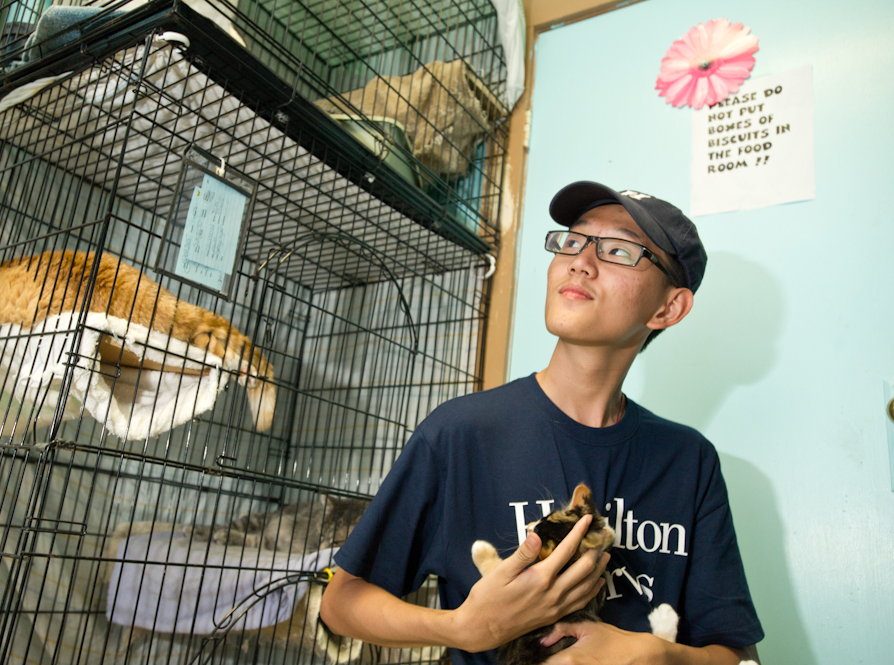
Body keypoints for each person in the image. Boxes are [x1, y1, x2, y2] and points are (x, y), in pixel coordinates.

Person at [319, 182, 763, 664]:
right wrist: (462, 628)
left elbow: (739, 658)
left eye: (618, 250)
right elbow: (341, 602)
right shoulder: (462, 433)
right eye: (573, 240)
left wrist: (653, 656)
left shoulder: (688, 460)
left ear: (668, 308)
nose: (580, 261)